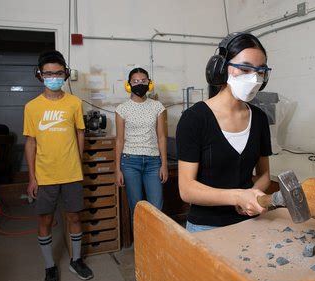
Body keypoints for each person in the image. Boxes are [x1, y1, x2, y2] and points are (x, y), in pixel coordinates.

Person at [176, 32, 273, 233]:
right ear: (220, 70)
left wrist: (252, 197)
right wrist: (237, 197)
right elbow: (186, 189)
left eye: (260, 71)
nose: (254, 78)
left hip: (249, 223)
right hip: (206, 227)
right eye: (245, 68)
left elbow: (264, 174)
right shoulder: (194, 118)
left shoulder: (260, 119)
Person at [24, 50, 93, 281]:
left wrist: (79, 162)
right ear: (40, 75)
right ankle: (50, 266)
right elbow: (30, 142)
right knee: (45, 219)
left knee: (74, 216)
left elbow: (80, 133)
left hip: (71, 173)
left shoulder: (74, 103)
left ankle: (76, 260)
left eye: (59, 73)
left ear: (65, 74)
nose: (54, 77)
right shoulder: (32, 107)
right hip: (45, 175)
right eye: (49, 73)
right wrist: (32, 177)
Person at [115, 67, 168, 226]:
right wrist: (117, 169)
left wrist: (164, 164)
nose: (140, 84)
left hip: (153, 163)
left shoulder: (157, 106)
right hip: (130, 162)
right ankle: (141, 248)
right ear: (128, 85)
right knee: (136, 208)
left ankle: (155, 248)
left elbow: (161, 137)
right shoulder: (122, 109)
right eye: (135, 81)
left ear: (149, 84)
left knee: (157, 209)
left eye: (143, 81)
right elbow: (119, 140)